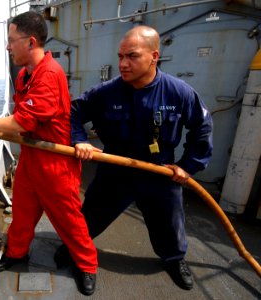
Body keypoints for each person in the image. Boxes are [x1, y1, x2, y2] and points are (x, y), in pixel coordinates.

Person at [56, 25, 213, 290]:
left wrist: (187, 166)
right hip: (115, 167)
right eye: (120, 57)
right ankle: (77, 252)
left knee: (169, 222)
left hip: (159, 170)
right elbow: (73, 112)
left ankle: (174, 259)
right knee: (91, 216)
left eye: (132, 56)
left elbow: (202, 126)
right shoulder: (105, 93)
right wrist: (79, 139)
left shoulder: (178, 92)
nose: (123, 64)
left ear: (154, 56)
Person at [0, 11, 98, 296]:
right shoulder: (25, 75)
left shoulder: (49, 75)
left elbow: (22, 122)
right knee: (22, 214)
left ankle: (87, 266)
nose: (7, 47)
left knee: (69, 221)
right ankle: (17, 252)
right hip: (31, 159)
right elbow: (21, 121)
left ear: (31, 42)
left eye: (11, 41)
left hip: (55, 165)